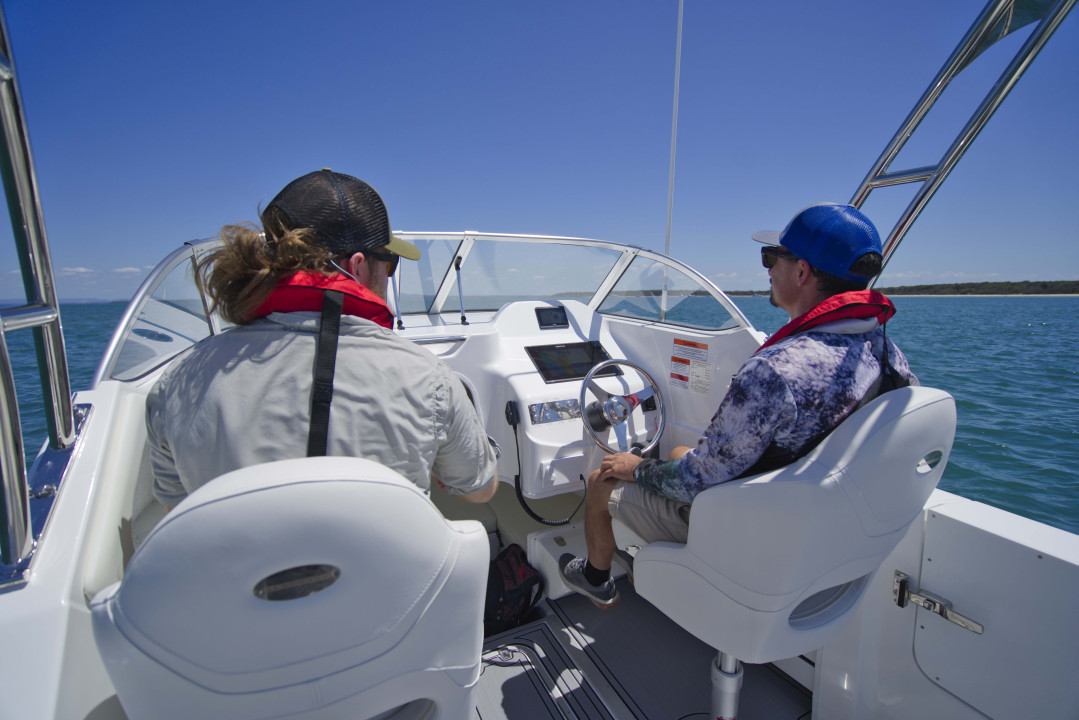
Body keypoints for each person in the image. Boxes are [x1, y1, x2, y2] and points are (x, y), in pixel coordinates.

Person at [559, 202, 917, 608]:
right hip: (819, 526)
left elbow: (693, 482)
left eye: (772, 257)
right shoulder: (889, 355)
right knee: (679, 452)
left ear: (802, 271)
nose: (767, 269)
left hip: (750, 534)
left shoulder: (775, 370)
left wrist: (634, 467)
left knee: (602, 479)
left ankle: (596, 578)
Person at [147, 169, 497, 507]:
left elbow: (175, 509)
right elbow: (479, 491)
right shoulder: (428, 377)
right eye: (388, 263)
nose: (388, 276)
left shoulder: (180, 379)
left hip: (232, 569)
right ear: (358, 265)